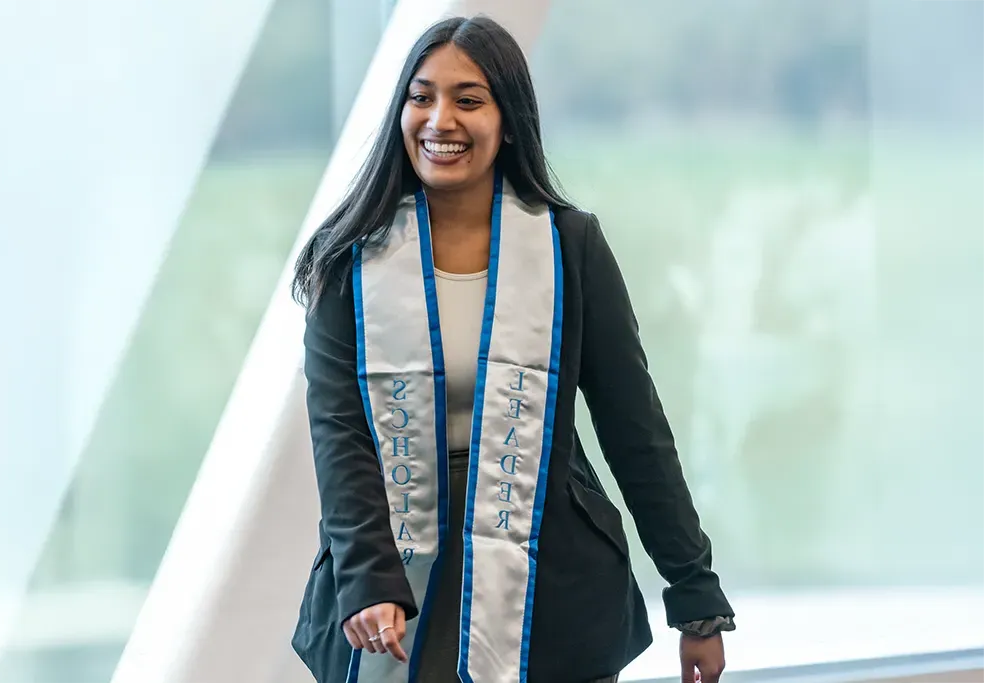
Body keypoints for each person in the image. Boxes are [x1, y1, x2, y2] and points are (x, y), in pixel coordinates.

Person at [290, 15, 735, 683]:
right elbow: (340, 435)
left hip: (548, 576)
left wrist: (695, 595)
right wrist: (367, 576)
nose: (441, 119)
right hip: (397, 575)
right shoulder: (349, 260)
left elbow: (634, 430)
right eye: (422, 96)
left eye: (469, 99)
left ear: (508, 117)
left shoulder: (569, 247)